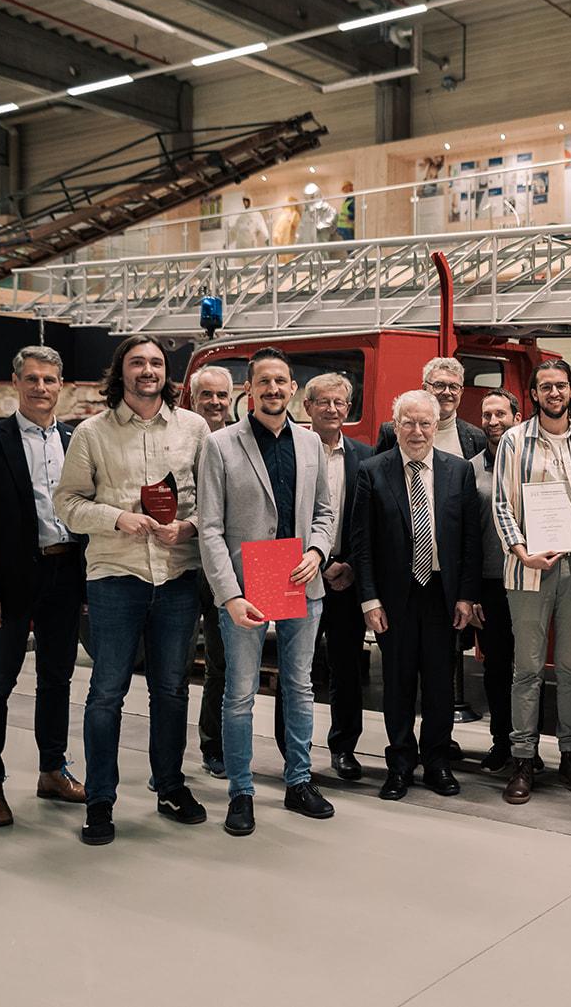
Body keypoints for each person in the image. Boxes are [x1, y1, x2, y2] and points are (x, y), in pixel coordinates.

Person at [56, 334, 210, 846]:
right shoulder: (91, 433)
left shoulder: (194, 428)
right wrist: (117, 517)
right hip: (115, 578)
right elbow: (68, 503)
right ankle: (100, 800)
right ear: (120, 371)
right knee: (106, 694)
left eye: (157, 363)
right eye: (137, 361)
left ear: (167, 373)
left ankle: (169, 785)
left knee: (170, 690)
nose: (148, 370)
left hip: (176, 577)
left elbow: (213, 503)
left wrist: (187, 528)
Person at [198, 347, 337, 835]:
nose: (273, 389)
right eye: (264, 382)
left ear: (292, 389)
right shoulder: (220, 446)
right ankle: (241, 791)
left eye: (281, 381)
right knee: (239, 693)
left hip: (300, 579)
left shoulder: (311, 443)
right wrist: (229, 595)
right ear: (249, 390)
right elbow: (210, 528)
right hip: (246, 584)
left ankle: (299, 780)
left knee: (299, 687)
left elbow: (324, 512)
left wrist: (317, 553)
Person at [0, 345, 87, 826]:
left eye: (49, 380)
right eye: (31, 379)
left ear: (61, 386)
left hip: (65, 573)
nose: (41, 388)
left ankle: (52, 770)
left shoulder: (77, 440)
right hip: (9, 583)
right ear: (16, 383)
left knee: (58, 679)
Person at [491, 359, 571, 804]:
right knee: (525, 669)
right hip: (527, 569)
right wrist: (522, 551)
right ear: (534, 393)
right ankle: (523, 758)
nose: (554, 392)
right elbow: (502, 506)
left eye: (561, 386)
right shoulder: (512, 441)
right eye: (545, 386)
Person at [353, 389, 483, 800]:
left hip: (443, 597)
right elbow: (363, 543)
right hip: (396, 598)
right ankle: (400, 765)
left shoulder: (458, 471)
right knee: (397, 684)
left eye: (424, 423)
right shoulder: (373, 472)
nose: (416, 430)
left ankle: (438, 762)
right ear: (395, 426)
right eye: (407, 422)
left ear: (435, 426)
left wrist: (466, 596)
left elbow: (469, 542)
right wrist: (369, 599)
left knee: (442, 685)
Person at [300, 373, 373, 780]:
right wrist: (318, 561)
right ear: (307, 407)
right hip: (301, 572)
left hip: (347, 577)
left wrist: (351, 567)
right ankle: (294, 750)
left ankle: (344, 748)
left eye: (339, 403)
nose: (331, 409)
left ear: (348, 409)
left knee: (347, 669)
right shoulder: (292, 450)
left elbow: (371, 521)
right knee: (298, 667)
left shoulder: (366, 456)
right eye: (323, 402)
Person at [471, 389, 537, 773]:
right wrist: (471, 591)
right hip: (492, 581)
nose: (493, 422)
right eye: (487, 415)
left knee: (526, 668)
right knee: (497, 666)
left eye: (501, 414)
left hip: (530, 577)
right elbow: (468, 534)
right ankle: (501, 743)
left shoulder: (531, 461)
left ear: (517, 416)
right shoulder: (471, 468)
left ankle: (527, 745)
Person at [187, 365, 235, 778]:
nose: (215, 402)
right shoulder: (179, 438)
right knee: (172, 667)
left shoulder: (240, 440)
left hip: (223, 569)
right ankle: (165, 757)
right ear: (192, 397)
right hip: (181, 566)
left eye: (222, 395)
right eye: (207, 395)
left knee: (221, 664)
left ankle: (214, 745)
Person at [376, 356, 485, 458]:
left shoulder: (476, 438)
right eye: (439, 385)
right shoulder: (392, 432)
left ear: (461, 392)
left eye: (454, 387)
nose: (447, 392)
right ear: (424, 388)